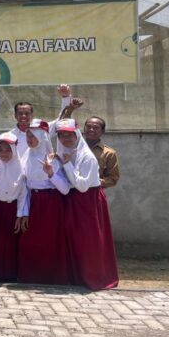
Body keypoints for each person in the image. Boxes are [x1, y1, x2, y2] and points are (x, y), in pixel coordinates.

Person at [56, 119, 119, 290]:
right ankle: (75, 276)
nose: (66, 139)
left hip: (87, 201)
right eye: (62, 135)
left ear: (76, 136)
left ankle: (92, 276)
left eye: (69, 135)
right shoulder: (66, 153)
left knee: (89, 241)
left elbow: (82, 186)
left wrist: (67, 165)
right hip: (72, 200)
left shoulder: (87, 157)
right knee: (74, 239)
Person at [17, 118, 71, 285]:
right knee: (30, 240)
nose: (29, 139)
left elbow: (65, 189)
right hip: (34, 203)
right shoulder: (26, 156)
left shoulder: (53, 159)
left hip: (51, 205)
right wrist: (24, 213)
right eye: (27, 135)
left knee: (49, 241)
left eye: (32, 135)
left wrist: (50, 174)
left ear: (41, 137)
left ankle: (51, 277)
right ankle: (32, 276)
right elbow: (25, 188)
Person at [0, 132, 26, 282]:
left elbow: (22, 195)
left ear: (14, 150)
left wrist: (19, 215)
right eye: (1, 150)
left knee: (12, 242)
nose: (4, 153)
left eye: (8, 150)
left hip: (13, 209)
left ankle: (11, 273)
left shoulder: (21, 168)